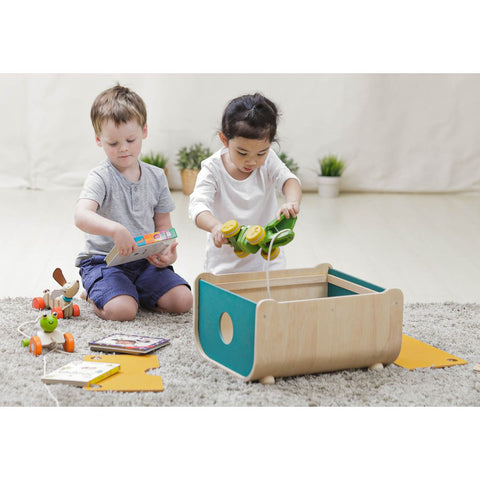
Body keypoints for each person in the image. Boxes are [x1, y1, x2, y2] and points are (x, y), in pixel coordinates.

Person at [74, 84, 192, 321]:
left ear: (144, 131)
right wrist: (115, 229)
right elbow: (81, 216)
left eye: (130, 139)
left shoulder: (157, 176)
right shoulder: (101, 176)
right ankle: (94, 294)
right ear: (99, 140)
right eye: (113, 143)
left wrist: (168, 251)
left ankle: (131, 292)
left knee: (183, 301)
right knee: (123, 311)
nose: (124, 148)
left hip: (144, 261)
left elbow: (164, 226)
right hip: (104, 262)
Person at [188, 93, 302, 275]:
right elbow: (198, 206)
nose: (252, 162)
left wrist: (292, 202)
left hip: (267, 262)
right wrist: (215, 226)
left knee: (270, 301)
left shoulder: (269, 161)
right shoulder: (212, 169)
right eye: (242, 153)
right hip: (225, 265)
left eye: (261, 153)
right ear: (224, 140)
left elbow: (289, 180)